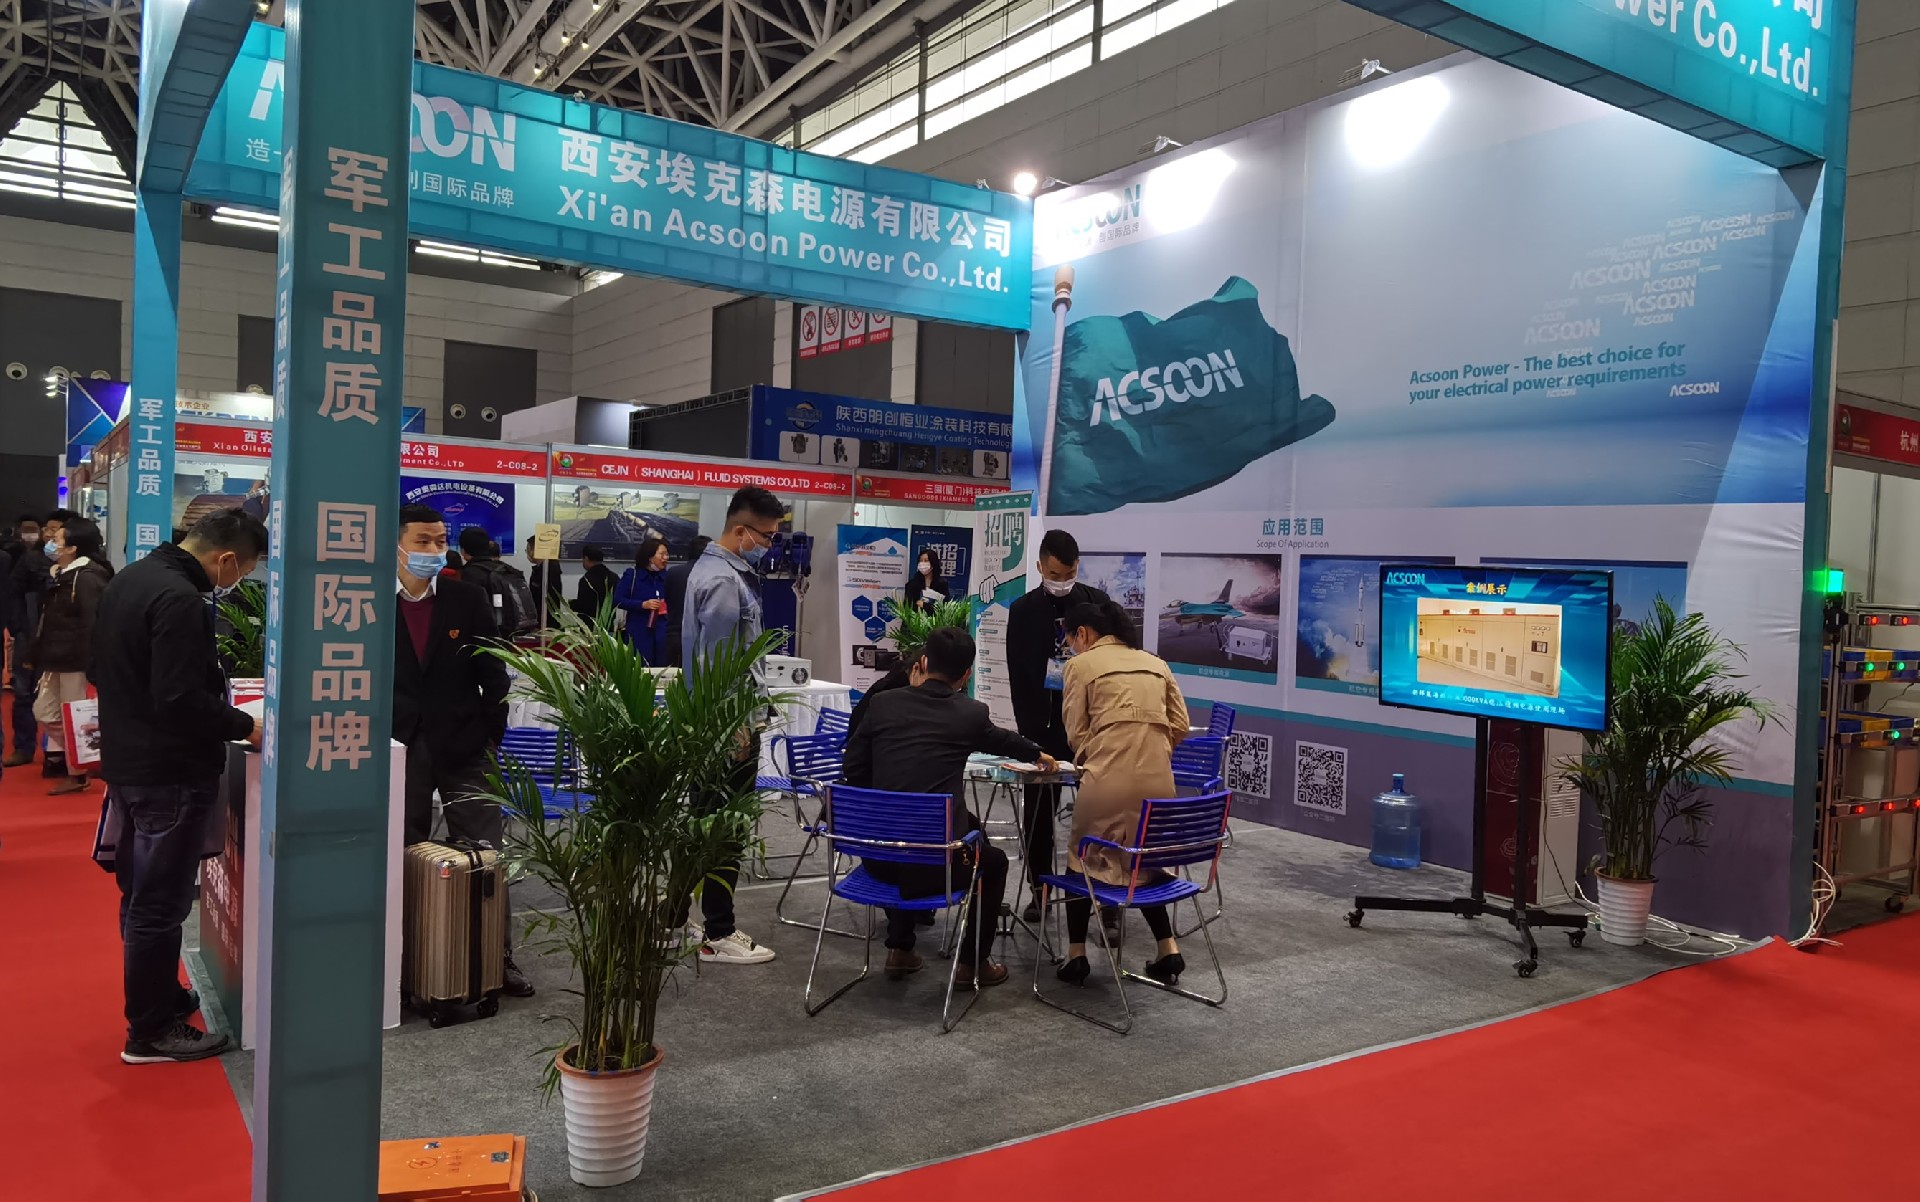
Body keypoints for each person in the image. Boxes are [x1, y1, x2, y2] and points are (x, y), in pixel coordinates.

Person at [92, 508, 266, 1064]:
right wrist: (245, 726)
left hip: (130, 761)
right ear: (227, 558)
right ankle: (150, 1031)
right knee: (160, 905)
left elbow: (103, 669)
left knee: (141, 894)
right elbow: (181, 698)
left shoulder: (131, 579)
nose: (236, 582)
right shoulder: (181, 599)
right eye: (243, 571)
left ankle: (160, 997)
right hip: (168, 771)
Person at [843, 627, 1053, 987]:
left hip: (877, 857)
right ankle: (973, 964)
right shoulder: (970, 713)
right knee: (993, 862)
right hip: (939, 866)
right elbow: (1001, 740)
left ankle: (900, 949)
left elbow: (854, 768)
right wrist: (1037, 753)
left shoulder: (883, 704)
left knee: (920, 829)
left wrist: (886, 799)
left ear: (923, 663)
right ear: (967, 674)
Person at [393, 505, 534, 998]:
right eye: (423, 541)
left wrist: (490, 736)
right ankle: (404, 960)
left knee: (486, 856)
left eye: (440, 541)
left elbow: (492, 673)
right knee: (402, 852)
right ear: (397, 544)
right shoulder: (367, 601)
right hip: (398, 749)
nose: (434, 550)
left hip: (465, 745)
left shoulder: (465, 597)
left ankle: (496, 957)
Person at [1055, 598, 1191, 987]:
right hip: (1158, 785)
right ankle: (1168, 948)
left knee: (1081, 859)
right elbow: (1180, 724)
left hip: (1106, 781)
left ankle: (1076, 954)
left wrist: (1101, 755)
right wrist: (1151, 753)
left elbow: (1075, 732)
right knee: (1146, 859)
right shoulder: (1156, 664)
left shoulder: (1080, 666)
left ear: (1082, 634)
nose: (1070, 647)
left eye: (1070, 639)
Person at [678, 487, 786, 964]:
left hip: (713, 721)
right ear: (741, 530)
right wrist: (736, 727)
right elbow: (719, 665)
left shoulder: (712, 569)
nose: (770, 545)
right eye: (767, 536)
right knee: (725, 830)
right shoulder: (724, 580)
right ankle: (718, 933)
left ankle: (671, 921)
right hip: (728, 726)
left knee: (701, 825)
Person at [1005, 529, 1110, 920]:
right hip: (1043, 728)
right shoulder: (1023, 610)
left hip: (1089, 731)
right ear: (1039, 567)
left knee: (1099, 814)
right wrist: (1028, 733)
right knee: (1038, 816)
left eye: (1069, 574)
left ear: (1078, 567)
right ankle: (1040, 891)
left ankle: (1105, 894)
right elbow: (1017, 673)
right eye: (1054, 574)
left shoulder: (1097, 605)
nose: (1062, 581)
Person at [31, 517, 113, 795]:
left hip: (75, 659)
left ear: (72, 548)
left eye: (58, 539)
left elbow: (93, 623)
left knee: (74, 717)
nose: (51, 542)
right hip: (55, 656)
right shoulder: (61, 573)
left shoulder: (86, 577)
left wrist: (93, 661)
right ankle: (89, 756)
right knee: (46, 712)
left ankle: (79, 771)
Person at [4, 514, 47, 767]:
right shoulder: (25, 559)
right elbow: (13, 594)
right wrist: (18, 626)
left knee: (62, 697)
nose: (52, 536)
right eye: (49, 530)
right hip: (27, 634)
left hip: (62, 640)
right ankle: (23, 746)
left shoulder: (81, 566)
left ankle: (61, 756)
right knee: (23, 693)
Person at [615, 537, 670, 666]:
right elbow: (617, 600)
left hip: (663, 632)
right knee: (640, 668)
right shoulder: (632, 575)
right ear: (650, 557)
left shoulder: (667, 576)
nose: (666, 558)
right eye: (662, 554)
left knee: (663, 669)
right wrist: (642, 605)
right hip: (639, 631)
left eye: (667, 554)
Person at [661, 534, 708, 670]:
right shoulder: (713, 575)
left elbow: (667, 598)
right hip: (702, 638)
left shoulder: (673, 572)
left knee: (673, 678)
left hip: (675, 635)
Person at [525, 535, 565, 627]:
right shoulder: (539, 569)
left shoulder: (550, 569)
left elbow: (549, 599)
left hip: (547, 623)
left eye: (528, 549)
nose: (528, 553)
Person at [574, 544, 620, 624]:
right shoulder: (614, 577)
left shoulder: (586, 580)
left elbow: (583, 606)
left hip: (590, 624)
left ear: (586, 558)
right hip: (608, 623)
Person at [903, 548, 946, 614]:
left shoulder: (942, 584)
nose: (922, 563)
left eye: (926, 561)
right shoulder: (912, 584)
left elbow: (944, 607)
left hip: (935, 620)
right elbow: (907, 606)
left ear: (933, 563)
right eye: (920, 561)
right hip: (915, 619)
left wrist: (925, 606)